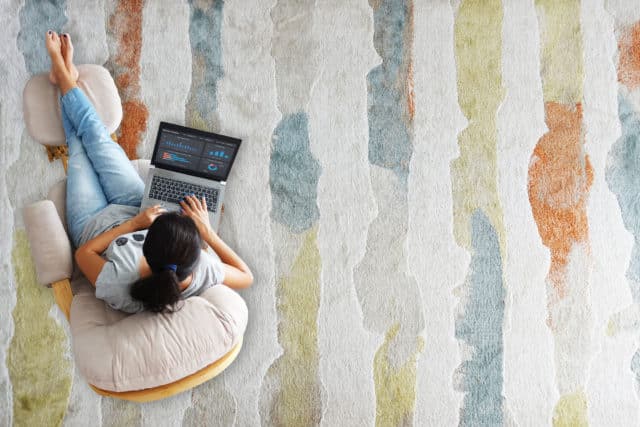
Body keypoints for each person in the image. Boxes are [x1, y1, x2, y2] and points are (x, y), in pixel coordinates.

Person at [45, 30, 253, 313]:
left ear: (145, 251)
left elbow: (84, 254)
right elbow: (246, 276)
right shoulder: (199, 269)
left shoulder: (120, 284)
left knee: (79, 146)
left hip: (94, 224)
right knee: (98, 137)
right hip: (135, 205)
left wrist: (133, 224)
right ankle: (64, 78)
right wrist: (208, 233)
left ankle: (62, 75)